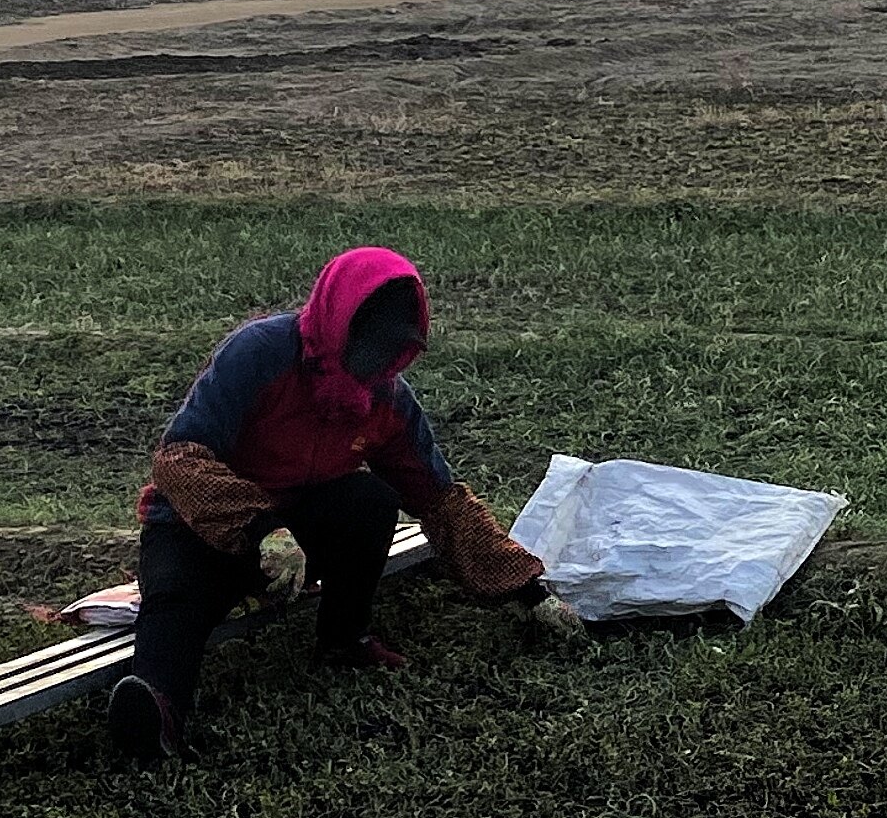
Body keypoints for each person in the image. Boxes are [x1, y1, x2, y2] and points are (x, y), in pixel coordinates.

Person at [108, 246, 579, 762]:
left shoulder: (386, 396)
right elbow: (179, 458)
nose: (376, 363)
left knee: (371, 500)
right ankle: (155, 709)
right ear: (339, 319)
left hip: (296, 531)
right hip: (198, 525)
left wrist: (528, 588)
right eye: (369, 345)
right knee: (178, 598)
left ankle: (344, 639)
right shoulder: (259, 352)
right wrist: (260, 527)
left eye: (390, 353)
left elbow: (441, 498)